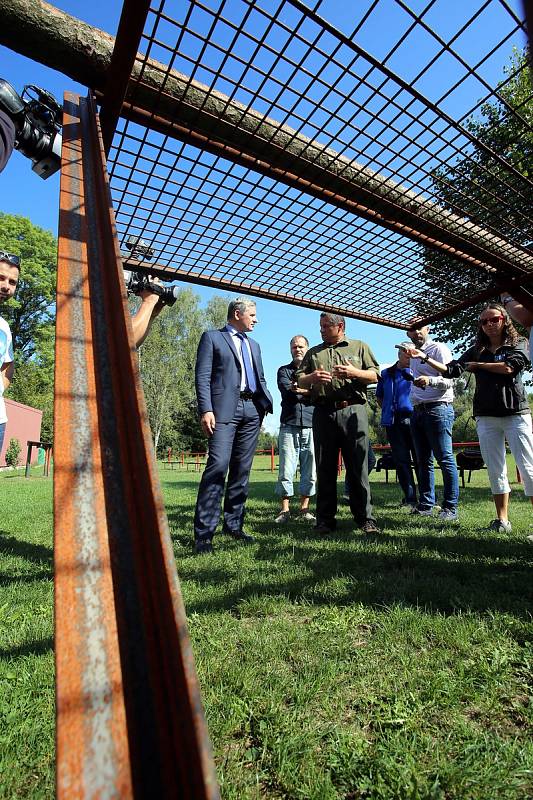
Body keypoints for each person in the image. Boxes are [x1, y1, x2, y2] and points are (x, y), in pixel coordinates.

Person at [408, 304, 533, 534]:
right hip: (486, 416)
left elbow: (510, 368)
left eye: (494, 319)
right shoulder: (477, 348)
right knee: (496, 470)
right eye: (484, 322)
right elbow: (451, 370)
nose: (489, 325)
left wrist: (477, 366)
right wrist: (424, 357)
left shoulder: (520, 343)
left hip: (516, 413)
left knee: (528, 469)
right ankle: (502, 521)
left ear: (504, 319)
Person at [193, 298, 273, 553]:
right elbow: (203, 376)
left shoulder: (255, 345)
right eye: (252, 314)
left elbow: (260, 377)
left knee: (242, 470)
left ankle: (234, 525)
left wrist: (263, 407)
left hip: (252, 411)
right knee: (217, 466)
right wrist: (205, 408)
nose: (256, 319)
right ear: (237, 314)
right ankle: (204, 535)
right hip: (223, 410)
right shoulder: (212, 338)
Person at [295, 313, 380, 534]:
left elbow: (375, 376)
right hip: (323, 413)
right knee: (325, 468)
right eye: (320, 326)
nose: (321, 330)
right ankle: (325, 520)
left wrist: (354, 372)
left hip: (353, 411)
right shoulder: (314, 352)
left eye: (325, 326)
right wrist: (312, 378)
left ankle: (365, 519)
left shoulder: (359, 347)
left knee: (358, 468)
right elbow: (299, 378)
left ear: (339, 326)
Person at [405, 322, 459, 521]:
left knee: (445, 458)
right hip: (418, 411)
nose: (417, 331)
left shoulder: (438, 349)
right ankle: (426, 505)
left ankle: (450, 508)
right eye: (412, 328)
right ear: (408, 332)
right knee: (423, 461)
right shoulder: (412, 354)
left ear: (428, 329)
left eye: (421, 327)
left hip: (438, 409)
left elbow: (450, 380)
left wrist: (430, 381)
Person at [275, 335, 316, 524]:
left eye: (300, 346)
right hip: (289, 425)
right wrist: (309, 390)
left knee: (310, 470)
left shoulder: (316, 370)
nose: (297, 349)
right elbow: (287, 391)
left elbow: (321, 392)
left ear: (307, 348)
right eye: (294, 347)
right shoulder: (283, 370)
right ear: (290, 350)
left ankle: (304, 509)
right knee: (286, 469)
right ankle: (285, 510)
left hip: (311, 424)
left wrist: (304, 390)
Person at [375, 342, 418, 509]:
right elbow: (380, 397)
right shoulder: (386, 374)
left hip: (415, 419)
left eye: (411, 355)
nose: (409, 358)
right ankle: (409, 498)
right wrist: (388, 410)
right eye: (406, 354)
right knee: (401, 461)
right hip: (393, 422)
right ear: (399, 354)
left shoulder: (418, 370)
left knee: (421, 460)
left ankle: (426, 499)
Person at [0, 251, 19, 451]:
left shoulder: (4, 328)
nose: (6, 286)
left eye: (12, 282)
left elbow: (8, 365)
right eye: (1, 278)